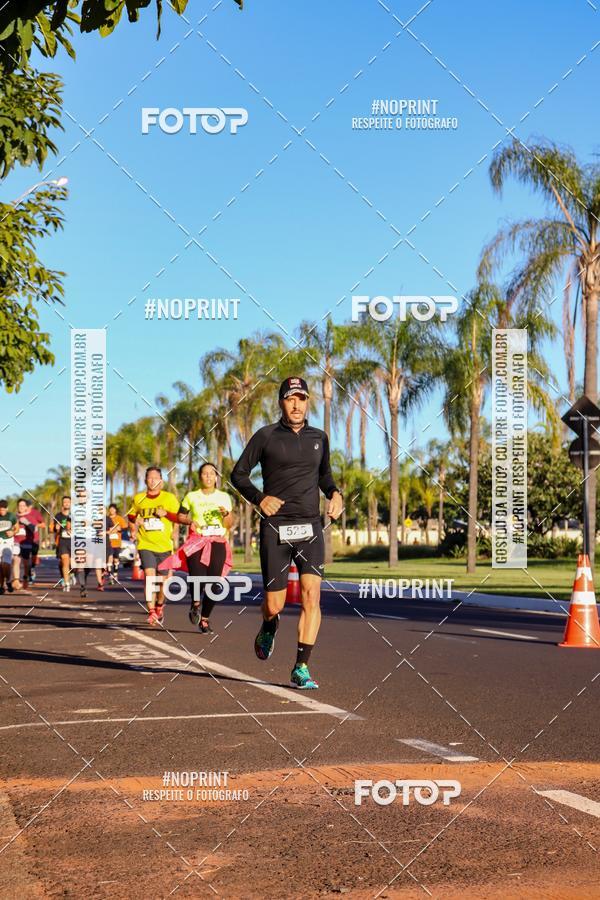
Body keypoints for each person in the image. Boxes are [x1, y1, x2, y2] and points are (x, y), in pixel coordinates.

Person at [231, 376, 343, 689]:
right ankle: (269, 623)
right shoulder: (265, 436)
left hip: (310, 526)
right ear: (281, 402)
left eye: (302, 398)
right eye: (291, 398)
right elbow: (238, 474)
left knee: (311, 596)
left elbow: (326, 477)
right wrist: (259, 498)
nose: (296, 404)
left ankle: (301, 667)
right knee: (275, 604)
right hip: (275, 526)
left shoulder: (319, 437)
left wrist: (335, 494)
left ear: (308, 402)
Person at [158, 462, 235, 633]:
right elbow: (180, 516)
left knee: (214, 584)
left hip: (217, 542)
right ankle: (195, 603)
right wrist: (189, 521)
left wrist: (226, 515)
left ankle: (205, 618)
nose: (208, 476)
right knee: (197, 577)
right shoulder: (191, 496)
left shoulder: (224, 497)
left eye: (211, 474)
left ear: (216, 477)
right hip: (196, 541)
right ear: (200, 477)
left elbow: (229, 524)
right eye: (205, 473)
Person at [127, 467, 179, 626]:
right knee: (150, 578)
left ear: (161, 481)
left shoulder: (169, 498)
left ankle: (159, 606)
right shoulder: (138, 498)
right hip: (145, 544)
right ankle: (151, 611)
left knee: (162, 582)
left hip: (164, 545)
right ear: (145, 481)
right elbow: (131, 516)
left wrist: (174, 532)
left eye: (156, 478)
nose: (153, 480)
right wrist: (134, 527)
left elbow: (178, 517)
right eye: (150, 478)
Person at [12, 498, 44, 590]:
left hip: (26, 542)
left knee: (26, 564)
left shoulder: (30, 517)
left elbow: (35, 529)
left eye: (23, 506)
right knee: (16, 560)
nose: (21, 507)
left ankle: (25, 577)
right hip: (16, 541)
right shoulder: (13, 517)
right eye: (19, 505)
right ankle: (16, 580)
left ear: (26, 507)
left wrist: (26, 522)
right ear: (17, 506)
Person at [50, 495, 73, 591]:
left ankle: (71, 574)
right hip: (63, 540)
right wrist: (56, 528)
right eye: (65, 502)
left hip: (74, 541)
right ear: (63, 504)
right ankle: (66, 583)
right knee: (65, 561)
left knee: (73, 563)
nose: (66, 503)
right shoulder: (58, 516)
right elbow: (54, 529)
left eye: (68, 502)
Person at [105, 504, 127, 584]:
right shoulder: (106, 519)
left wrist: (119, 529)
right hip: (108, 542)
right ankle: (110, 576)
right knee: (109, 560)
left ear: (115, 510)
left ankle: (115, 574)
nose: (111, 511)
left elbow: (125, 528)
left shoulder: (119, 518)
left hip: (117, 542)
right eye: (110, 509)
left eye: (113, 509)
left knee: (116, 560)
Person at [0, 500, 16, 595]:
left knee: (6, 564)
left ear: (7, 509)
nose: (2, 512)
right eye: (0, 509)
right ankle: (1, 586)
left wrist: (13, 532)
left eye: (3, 509)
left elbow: (17, 528)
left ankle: (8, 580)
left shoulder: (11, 516)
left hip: (7, 541)